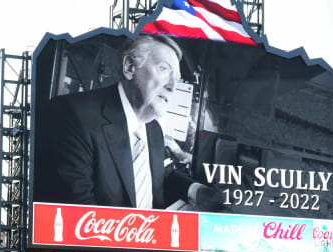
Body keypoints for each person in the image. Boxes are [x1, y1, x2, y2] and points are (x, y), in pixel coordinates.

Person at [36, 34, 222, 210]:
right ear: (130, 67)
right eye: (164, 69)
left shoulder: (154, 128)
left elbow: (161, 173)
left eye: (177, 79)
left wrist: (197, 190)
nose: (172, 86)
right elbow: (79, 215)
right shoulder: (72, 116)